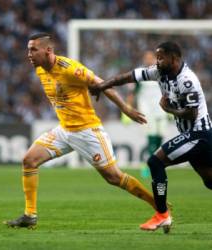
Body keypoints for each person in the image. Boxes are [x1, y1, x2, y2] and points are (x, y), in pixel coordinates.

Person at [3, 33, 157, 229]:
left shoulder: (71, 69)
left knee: (114, 178)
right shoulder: (41, 69)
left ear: (48, 50)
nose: (29, 54)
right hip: (64, 130)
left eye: (33, 49)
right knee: (29, 160)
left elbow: (103, 84)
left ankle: (158, 205)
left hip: (87, 132)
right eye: (28, 50)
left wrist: (125, 108)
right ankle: (30, 215)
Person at [89, 41, 212, 233]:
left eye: (161, 57)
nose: (158, 61)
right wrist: (103, 85)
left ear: (175, 58)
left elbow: (192, 114)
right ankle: (163, 215)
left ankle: (162, 214)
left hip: (199, 134)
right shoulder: (159, 72)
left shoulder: (187, 79)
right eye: (157, 57)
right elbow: (129, 77)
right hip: (193, 136)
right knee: (209, 181)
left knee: (155, 162)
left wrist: (168, 109)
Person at [125, 51, 168, 178]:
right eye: (147, 58)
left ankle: (157, 162)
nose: (149, 60)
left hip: (161, 110)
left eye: (151, 58)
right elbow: (132, 93)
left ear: (155, 59)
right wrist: (127, 110)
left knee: (160, 137)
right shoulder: (140, 74)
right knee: (151, 138)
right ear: (144, 59)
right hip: (147, 112)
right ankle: (150, 165)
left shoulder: (162, 73)